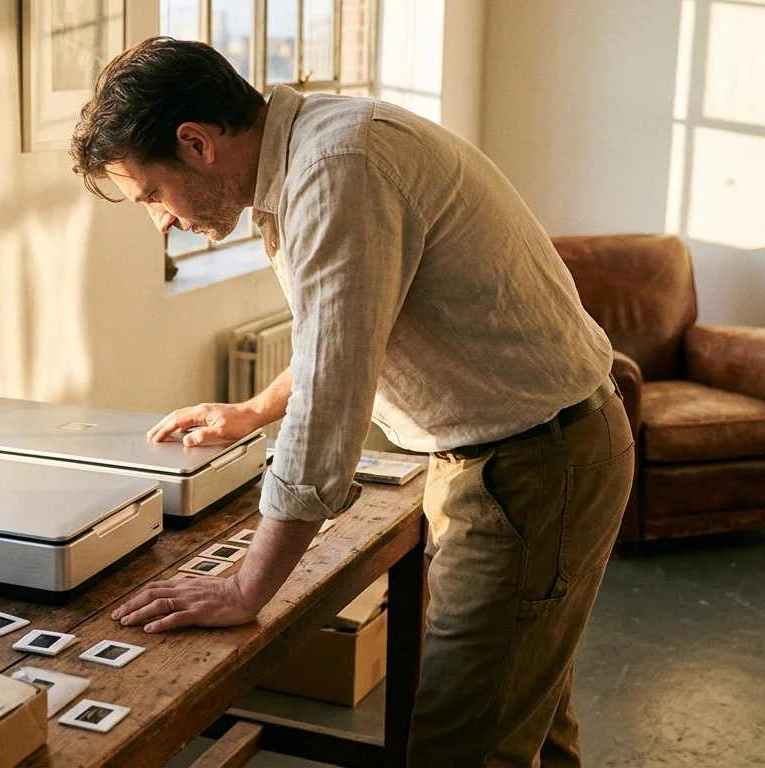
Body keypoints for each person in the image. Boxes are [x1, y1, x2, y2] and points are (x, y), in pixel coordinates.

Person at [71, 38, 634, 766]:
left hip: (531, 469)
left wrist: (249, 587)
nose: (161, 221)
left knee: (461, 749)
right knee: (526, 724)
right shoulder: (315, 150)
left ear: (196, 143)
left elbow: (331, 403)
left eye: (150, 194)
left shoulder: (337, 173)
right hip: (534, 454)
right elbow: (338, 334)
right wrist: (252, 412)